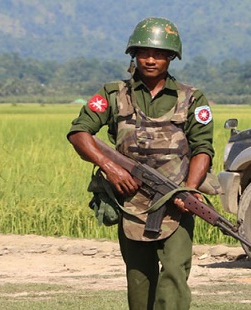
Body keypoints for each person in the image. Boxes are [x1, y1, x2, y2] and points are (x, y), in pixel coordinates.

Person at [67, 17, 216, 309]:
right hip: (131, 202)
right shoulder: (113, 95)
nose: (150, 59)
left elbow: (203, 149)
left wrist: (188, 190)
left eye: (159, 54)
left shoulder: (193, 99)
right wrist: (111, 168)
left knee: (174, 273)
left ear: (171, 57)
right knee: (138, 280)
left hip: (176, 202)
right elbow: (79, 133)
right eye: (143, 53)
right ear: (133, 55)